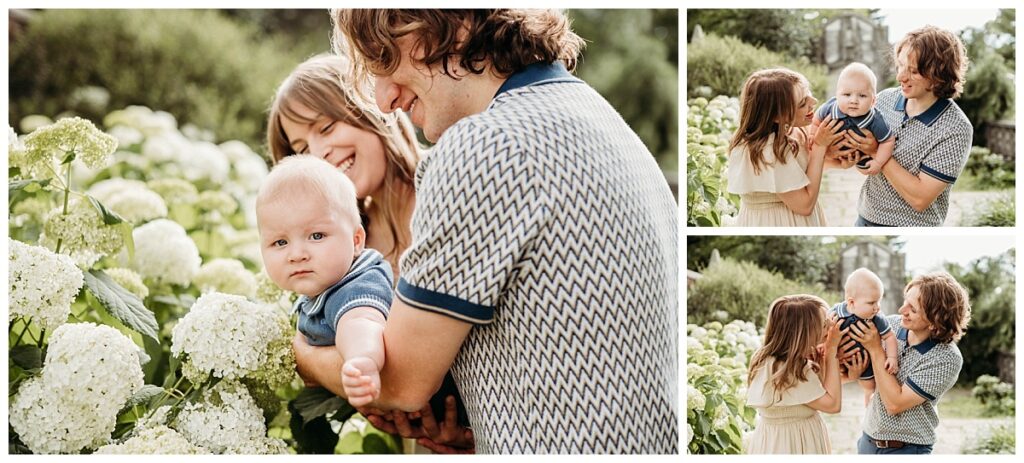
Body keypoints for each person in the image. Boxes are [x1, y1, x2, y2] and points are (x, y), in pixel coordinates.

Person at [293, 9, 678, 454]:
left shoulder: (487, 146)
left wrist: (300, 352)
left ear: (447, 27)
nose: (384, 100)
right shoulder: (596, 115)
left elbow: (400, 380)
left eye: (385, 60)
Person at [266, 55, 471, 451]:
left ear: (371, 105)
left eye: (326, 127)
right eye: (301, 148)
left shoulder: (447, 187)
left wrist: (303, 355)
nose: (320, 153)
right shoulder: (339, 246)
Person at [256, 155, 392, 406]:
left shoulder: (357, 286)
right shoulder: (324, 282)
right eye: (280, 242)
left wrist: (362, 361)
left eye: (316, 236)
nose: (297, 255)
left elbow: (362, 323)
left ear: (356, 241)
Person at [841, 26, 972, 227]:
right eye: (900, 66)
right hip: (864, 220)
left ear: (939, 74)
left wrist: (877, 150)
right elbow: (865, 164)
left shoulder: (955, 128)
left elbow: (920, 199)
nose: (901, 77)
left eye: (913, 71)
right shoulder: (884, 100)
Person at [846, 272, 971, 454]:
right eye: (905, 301)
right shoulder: (891, 326)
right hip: (868, 441)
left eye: (912, 309)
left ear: (934, 321)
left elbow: (895, 404)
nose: (901, 310)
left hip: (907, 449)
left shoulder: (946, 358)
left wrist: (875, 349)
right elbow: (868, 378)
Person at [726, 68, 846, 226]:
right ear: (776, 116)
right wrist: (819, 146)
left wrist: (836, 162)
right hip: (777, 222)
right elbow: (805, 205)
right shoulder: (766, 151)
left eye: (808, 94)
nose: (814, 102)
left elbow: (798, 173)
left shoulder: (793, 128)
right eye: (802, 103)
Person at [745, 294, 842, 454]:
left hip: (774, 440)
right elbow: (832, 404)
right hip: (793, 443)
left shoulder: (769, 361)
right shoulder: (790, 368)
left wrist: (821, 363)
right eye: (824, 324)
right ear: (804, 331)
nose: (830, 327)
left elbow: (815, 393)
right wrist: (832, 350)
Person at [829, 268, 898, 406]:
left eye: (879, 301)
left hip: (866, 362)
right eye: (871, 303)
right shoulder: (837, 312)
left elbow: (890, 337)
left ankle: (869, 411)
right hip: (840, 360)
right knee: (831, 377)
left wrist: (892, 357)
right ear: (851, 302)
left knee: (870, 388)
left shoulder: (877, 318)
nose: (877, 307)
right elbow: (824, 327)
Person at [810, 62, 894, 175]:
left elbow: (888, 140)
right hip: (831, 152)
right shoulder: (830, 108)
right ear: (837, 95)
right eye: (847, 95)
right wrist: (813, 134)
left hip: (860, 155)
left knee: (866, 168)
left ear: (873, 101)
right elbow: (816, 119)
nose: (853, 101)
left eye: (862, 96)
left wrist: (878, 162)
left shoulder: (875, 119)